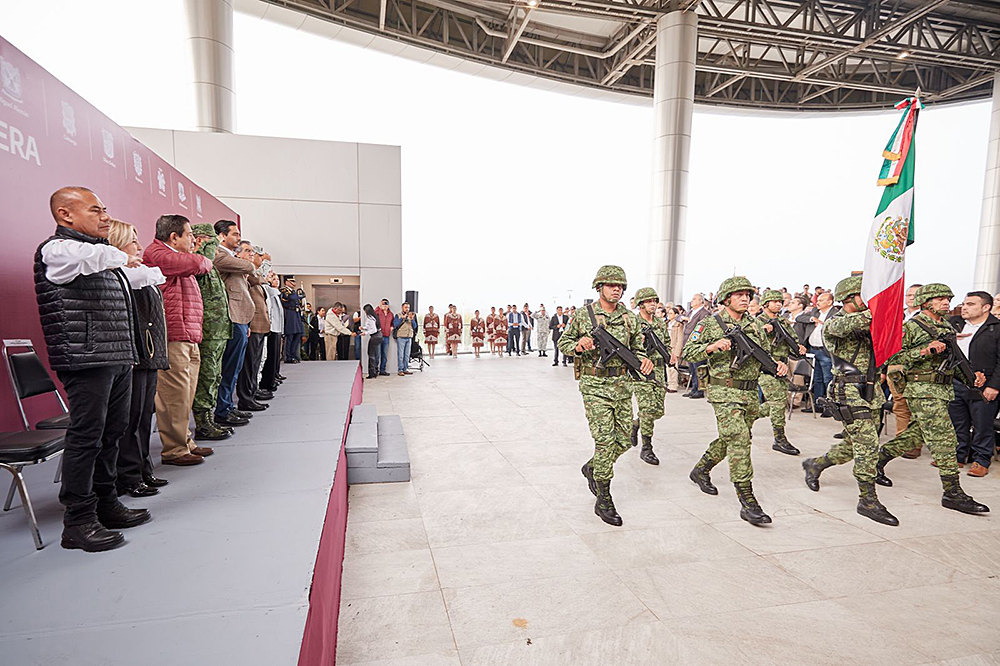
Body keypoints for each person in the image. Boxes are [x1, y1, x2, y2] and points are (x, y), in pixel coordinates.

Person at [36, 187, 149, 551]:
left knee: (112, 432)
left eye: (105, 209)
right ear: (65, 215)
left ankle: (105, 502)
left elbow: (140, 277)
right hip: (85, 358)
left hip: (114, 357)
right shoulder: (58, 250)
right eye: (95, 210)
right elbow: (89, 255)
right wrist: (120, 254)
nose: (104, 217)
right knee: (86, 436)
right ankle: (79, 521)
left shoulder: (101, 258)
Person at [874, 284, 990, 516]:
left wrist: (971, 377)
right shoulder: (912, 327)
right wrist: (924, 351)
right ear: (926, 302)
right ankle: (952, 492)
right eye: (940, 299)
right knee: (946, 438)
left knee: (915, 435)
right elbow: (892, 357)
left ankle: (877, 461)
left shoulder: (945, 326)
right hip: (921, 389)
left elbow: (952, 361)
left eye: (948, 298)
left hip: (942, 389)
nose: (946, 302)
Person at [684, 276, 789, 525]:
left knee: (729, 438)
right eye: (739, 294)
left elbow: (763, 358)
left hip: (750, 393)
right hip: (724, 392)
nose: (745, 298)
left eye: (747, 295)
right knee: (740, 440)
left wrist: (777, 365)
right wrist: (712, 347)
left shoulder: (754, 326)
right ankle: (748, 500)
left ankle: (701, 469)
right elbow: (689, 352)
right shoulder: (711, 323)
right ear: (726, 298)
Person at [800, 275, 899, 525]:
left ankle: (816, 464)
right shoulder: (836, 322)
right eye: (865, 296)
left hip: (871, 391)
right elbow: (847, 326)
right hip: (849, 391)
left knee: (855, 445)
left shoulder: (869, 324)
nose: (869, 301)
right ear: (850, 298)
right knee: (866, 444)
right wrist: (881, 305)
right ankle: (867, 500)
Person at [560, 266, 653, 527]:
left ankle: (592, 467)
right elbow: (563, 343)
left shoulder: (629, 318)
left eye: (621, 285)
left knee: (624, 441)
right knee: (604, 441)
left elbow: (638, 348)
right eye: (611, 284)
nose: (617, 289)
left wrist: (644, 361)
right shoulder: (583, 316)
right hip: (595, 386)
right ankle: (604, 497)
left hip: (622, 386)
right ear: (599, 287)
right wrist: (578, 345)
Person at [144, 215, 216, 466]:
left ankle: (185, 441)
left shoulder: (177, 259)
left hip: (188, 335)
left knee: (186, 394)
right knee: (174, 395)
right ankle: (174, 449)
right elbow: (200, 262)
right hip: (173, 336)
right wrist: (201, 257)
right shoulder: (158, 253)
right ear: (174, 237)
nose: (194, 241)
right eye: (189, 236)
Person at [107, 220, 169, 497]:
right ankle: (128, 475)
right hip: (136, 353)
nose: (139, 246)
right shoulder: (121, 276)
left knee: (144, 415)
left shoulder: (139, 273)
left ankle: (143, 467)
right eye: (133, 240)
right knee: (131, 418)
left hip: (150, 352)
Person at [189, 223, 239, 439]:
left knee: (214, 376)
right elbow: (205, 260)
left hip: (218, 330)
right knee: (206, 377)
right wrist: (208, 245)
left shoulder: (208, 266)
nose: (214, 246)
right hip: (208, 331)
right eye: (210, 240)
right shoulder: (200, 262)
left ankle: (208, 418)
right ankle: (202, 423)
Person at [948, 292, 1000, 477]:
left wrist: (994, 386)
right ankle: (958, 456)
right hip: (956, 383)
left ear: (986, 307)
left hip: (984, 385)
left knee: (982, 424)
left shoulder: (996, 328)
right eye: (964, 303)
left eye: (970, 304)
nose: (965, 307)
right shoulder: (954, 324)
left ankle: (981, 460)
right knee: (958, 423)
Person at [213, 221, 259, 427]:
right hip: (230, 317)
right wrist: (249, 264)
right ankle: (222, 410)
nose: (238, 237)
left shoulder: (230, 258)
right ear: (222, 236)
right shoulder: (219, 254)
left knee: (236, 367)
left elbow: (255, 277)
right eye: (235, 233)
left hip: (240, 318)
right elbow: (251, 267)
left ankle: (228, 407)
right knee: (229, 367)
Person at [757, 289, 807, 456]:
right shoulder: (757, 323)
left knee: (777, 404)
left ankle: (746, 417)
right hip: (765, 369)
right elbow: (755, 347)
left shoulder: (784, 323)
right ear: (765, 304)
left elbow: (793, 342)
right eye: (774, 301)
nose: (778, 303)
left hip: (782, 368)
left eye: (780, 301)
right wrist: (764, 331)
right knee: (778, 403)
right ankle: (779, 439)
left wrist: (799, 347)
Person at [631, 288, 668, 466]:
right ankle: (647, 447)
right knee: (647, 408)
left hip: (660, 370)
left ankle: (636, 423)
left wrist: (672, 354)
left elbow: (666, 342)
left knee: (658, 410)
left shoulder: (660, 323)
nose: (653, 304)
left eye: (654, 300)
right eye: (648, 301)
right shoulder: (633, 323)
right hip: (642, 372)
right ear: (640, 304)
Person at [888, 283, 925, 457]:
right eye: (908, 295)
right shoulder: (897, 315)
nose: (910, 298)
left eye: (914, 295)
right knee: (900, 405)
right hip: (895, 366)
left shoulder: (927, 318)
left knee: (916, 406)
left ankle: (914, 443)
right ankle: (902, 441)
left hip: (917, 367)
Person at [237, 242, 271, 412]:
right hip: (252, 323)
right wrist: (263, 265)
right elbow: (259, 278)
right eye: (248, 251)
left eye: (253, 252)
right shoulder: (246, 271)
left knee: (255, 363)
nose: (252, 255)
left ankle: (252, 392)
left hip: (259, 324)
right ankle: (246, 397)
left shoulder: (251, 271)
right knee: (249, 364)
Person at [797, 291, 839, 416]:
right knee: (817, 379)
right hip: (813, 350)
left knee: (828, 379)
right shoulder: (815, 312)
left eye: (821, 300)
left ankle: (829, 406)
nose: (818, 302)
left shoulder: (835, 314)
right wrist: (811, 318)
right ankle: (818, 404)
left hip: (825, 351)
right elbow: (799, 317)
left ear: (829, 302)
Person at [681, 293, 710, 398]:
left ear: (700, 301)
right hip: (688, 344)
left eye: (694, 299)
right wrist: (683, 318)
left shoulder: (704, 313)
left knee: (699, 368)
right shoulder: (690, 312)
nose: (692, 301)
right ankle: (694, 388)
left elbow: (703, 328)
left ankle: (700, 390)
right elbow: (678, 317)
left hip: (698, 345)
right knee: (692, 369)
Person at [261, 272, 284, 392]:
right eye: (272, 279)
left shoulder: (276, 293)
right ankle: (268, 381)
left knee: (275, 355)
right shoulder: (270, 290)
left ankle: (274, 375)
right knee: (270, 356)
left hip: (277, 327)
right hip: (271, 327)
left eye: (276, 279)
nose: (276, 281)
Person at [281, 277, 305, 362]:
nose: (294, 283)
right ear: (286, 282)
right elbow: (287, 299)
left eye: (294, 282)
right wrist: (298, 296)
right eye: (291, 281)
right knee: (290, 336)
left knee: (297, 335)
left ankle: (294, 355)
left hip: (296, 314)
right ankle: (288, 356)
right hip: (290, 313)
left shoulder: (294, 292)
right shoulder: (284, 291)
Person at [393, 302, 417, 374]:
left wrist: (412, 319)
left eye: (408, 307)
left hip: (409, 337)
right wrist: (402, 319)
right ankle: (400, 370)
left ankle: (405, 369)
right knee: (401, 355)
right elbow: (395, 324)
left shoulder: (411, 315)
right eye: (406, 307)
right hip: (401, 337)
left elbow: (415, 326)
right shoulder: (398, 315)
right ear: (402, 308)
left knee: (407, 355)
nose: (407, 309)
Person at [361, 303, 382, 378]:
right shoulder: (374, 317)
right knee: (375, 354)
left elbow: (373, 329)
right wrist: (363, 328)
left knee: (371, 354)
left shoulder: (370, 318)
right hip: (379, 336)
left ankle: (372, 373)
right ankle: (375, 370)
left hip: (375, 336)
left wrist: (365, 333)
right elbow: (371, 326)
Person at [666, 306, 684, 392]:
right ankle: (669, 384)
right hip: (667, 347)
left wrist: (677, 352)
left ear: (676, 314)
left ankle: (673, 386)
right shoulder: (667, 323)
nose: (669, 315)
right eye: (668, 313)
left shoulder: (679, 325)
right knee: (667, 368)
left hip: (674, 347)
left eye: (671, 313)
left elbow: (680, 339)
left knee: (673, 368)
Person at [377, 299, 394, 375]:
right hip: (378, 335)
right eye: (383, 304)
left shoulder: (391, 314)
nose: (385, 305)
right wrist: (380, 307)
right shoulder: (377, 312)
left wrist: (392, 327)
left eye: (386, 304)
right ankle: (375, 370)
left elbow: (393, 323)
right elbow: (372, 317)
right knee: (377, 354)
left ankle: (382, 370)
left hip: (386, 336)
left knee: (384, 354)